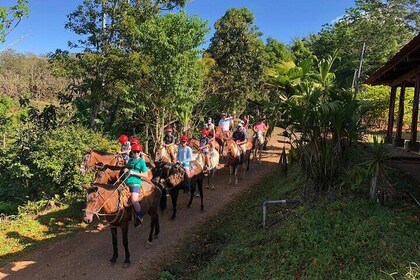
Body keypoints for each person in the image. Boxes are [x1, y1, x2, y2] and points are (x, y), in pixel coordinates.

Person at [124, 143, 149, 228]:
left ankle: (139, 217)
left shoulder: (141, 162)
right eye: (134, 152)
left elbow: (145, 175)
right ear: (132, 152)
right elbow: (127, 167)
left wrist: (134, 172)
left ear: (140, 152)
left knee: (134, 200)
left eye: (138, 151)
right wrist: (125, 169)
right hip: (126, 181)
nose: (136, 153)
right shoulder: (130, 160)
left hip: (135, 183)